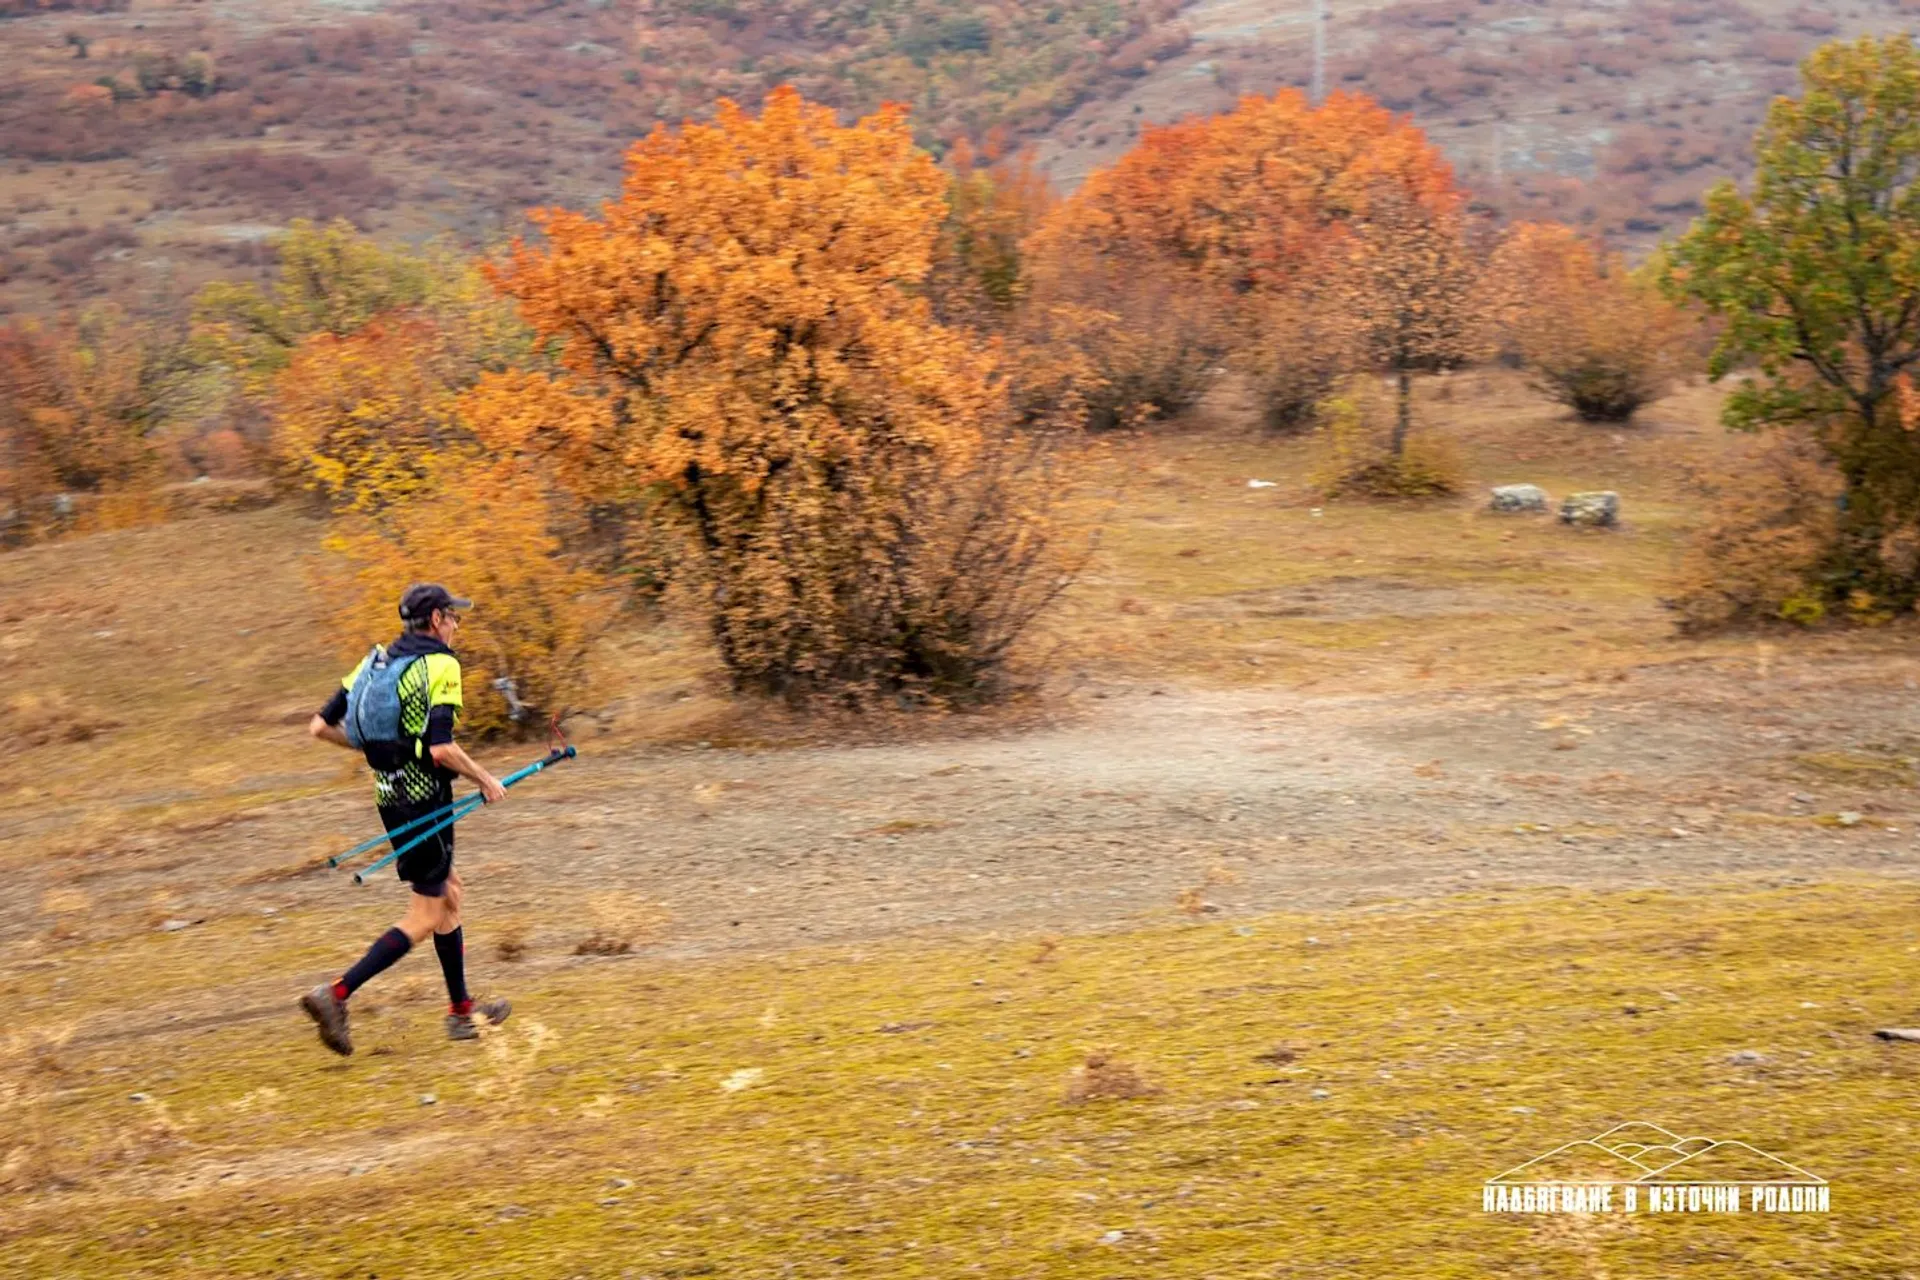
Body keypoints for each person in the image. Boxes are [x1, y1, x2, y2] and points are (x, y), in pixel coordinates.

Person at [299, 583, 510, 1056]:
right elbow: (441, 748)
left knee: (449, 895)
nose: (457, 625)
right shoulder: (441, 665)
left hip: (390, 799)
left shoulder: (376, 661)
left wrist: (379, 751)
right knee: (427, 913)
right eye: (453, 617)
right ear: (436, 620)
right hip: (425, 801)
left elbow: (319, 727)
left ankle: (461, 1013)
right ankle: (334, 994)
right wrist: (484, 778)